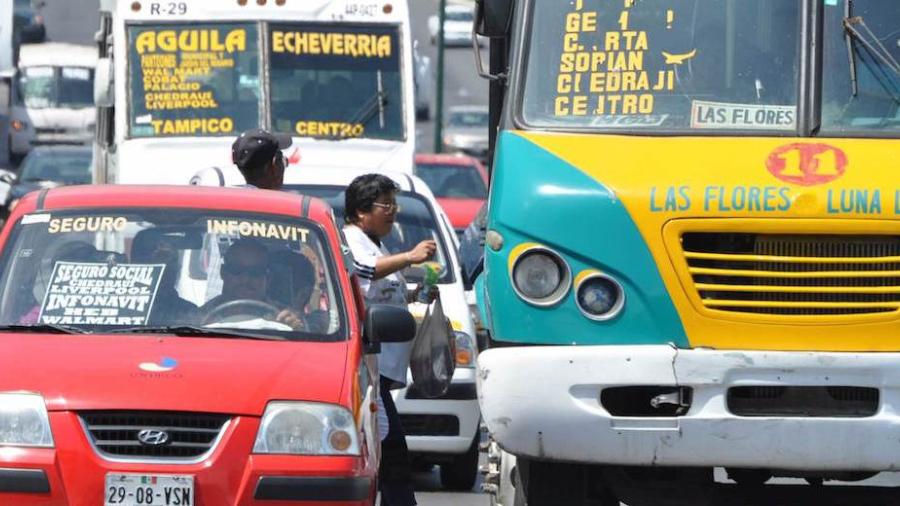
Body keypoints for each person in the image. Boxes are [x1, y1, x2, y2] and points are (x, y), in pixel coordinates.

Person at [343, 173, 437, 506]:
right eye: (386, 205)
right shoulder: (351, 240)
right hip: (367, 367)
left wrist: (415, 293)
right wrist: (409, 257)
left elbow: (380, 292)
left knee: (385, 450)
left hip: (381, 370)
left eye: (394, 204)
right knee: (391, 450)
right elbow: (363, 271)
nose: (393, 211)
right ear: (359, 212)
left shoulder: (375, 244)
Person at [200, 238, 304, 330]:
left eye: (255, 272)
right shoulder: (199, 318)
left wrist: (295, 329)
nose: (245, 279)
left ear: (268, 279)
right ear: (223, 272)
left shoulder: (283, 318)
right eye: (237, 269)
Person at [130, 230, 200, 325]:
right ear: (137, 266)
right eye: (160, 259)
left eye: (172, 262)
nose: (166, 267)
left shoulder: (189, 312)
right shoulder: (113, 310)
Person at [189, 128, 292, 189]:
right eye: (281, 159)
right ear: (274, 166)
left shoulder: (230, 210)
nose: (285, 163)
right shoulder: (289, 215)